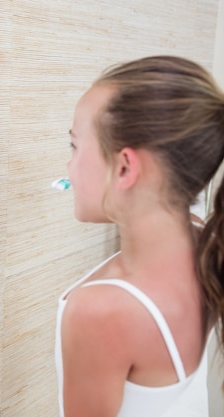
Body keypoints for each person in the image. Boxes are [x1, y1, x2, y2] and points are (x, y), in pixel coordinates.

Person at [56, 55, 224, 417]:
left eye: (74, 145)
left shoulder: (100, 311)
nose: (69, 165)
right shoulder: (204, 242)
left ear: (125, 167)